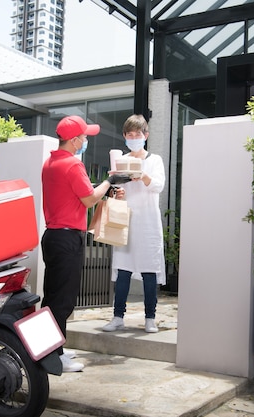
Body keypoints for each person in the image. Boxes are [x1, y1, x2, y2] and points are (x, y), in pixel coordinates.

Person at [41, 115, 130, 372]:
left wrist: (105, 187)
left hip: (54, 237)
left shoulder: (51, 163)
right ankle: (53, 357)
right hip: (68, 238)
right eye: (85, 137)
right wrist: (109, 182)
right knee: (63, 301)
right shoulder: (72, 165)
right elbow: (89, 199)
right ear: (74, 139)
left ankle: (54, 350)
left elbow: (75, 193)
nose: (86, 140)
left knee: (54, 298)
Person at [102, 114, 166, 334]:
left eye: (137, 134)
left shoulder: (154, 160)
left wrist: (142, 176)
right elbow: (117, 192)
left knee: (149, 270)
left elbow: (158, 186)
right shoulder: (121, 160)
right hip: (126, 220)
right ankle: (118, 316)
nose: (133, 137)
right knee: (123, 270)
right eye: (129, 134)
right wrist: (117, 192)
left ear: (145, 135)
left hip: (148, 223)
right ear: (124, 136)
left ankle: (150, 318)